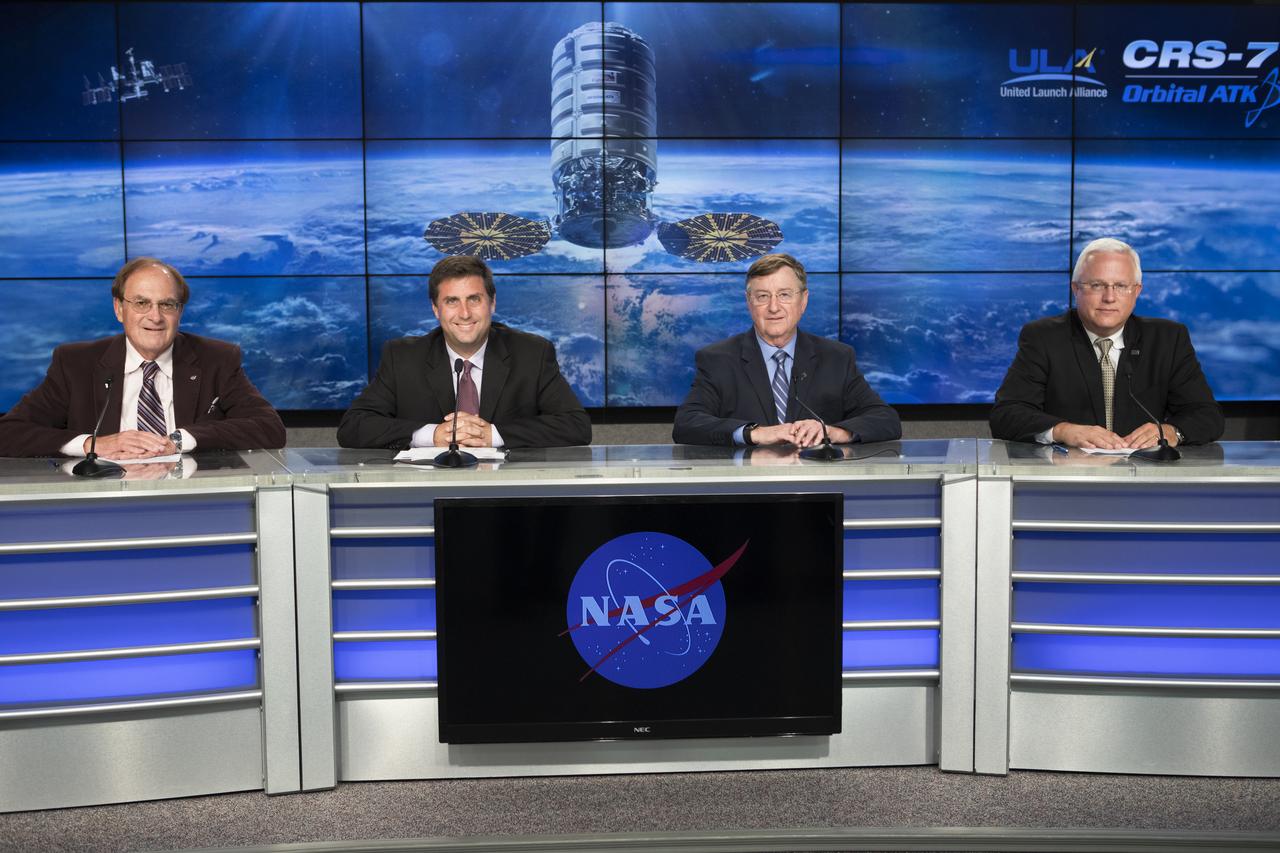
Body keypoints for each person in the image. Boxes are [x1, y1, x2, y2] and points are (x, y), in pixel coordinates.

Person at [0, 257, 285, 458]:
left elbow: (270, 428)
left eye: (167, 305)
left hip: (195, 502)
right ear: (119, 309)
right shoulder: (76, 364)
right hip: (102, 504)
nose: (155, 317)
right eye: (141, 303)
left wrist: (178, 440)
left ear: (180, 312)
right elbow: (9, 433)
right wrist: (92, 444)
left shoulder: (217, 360)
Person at [990, 237, 1223, 449]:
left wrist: (1172, 432)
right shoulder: (1044, 338)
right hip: (1068, 479)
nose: (1109, 297)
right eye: (1097, 285)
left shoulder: (1168, 339)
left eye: (1120, 286)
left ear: (1137, 291)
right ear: (1076, 289)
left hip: (1146, 479)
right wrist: (1063, 431)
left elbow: (1207, 416)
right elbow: (1007, 414)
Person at [337, 256, 591, 449]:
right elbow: (353, 427)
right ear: (436, 309)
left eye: (474, 299)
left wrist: (493, 434)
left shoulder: (531, 353)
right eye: (452, 301)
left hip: (510, 496)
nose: (465, 313)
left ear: (492, 303)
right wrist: (433, 434)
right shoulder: (403, 357)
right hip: (426, 497)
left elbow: (576, 426)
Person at [672, 253, 901, 447]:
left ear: (803, 301)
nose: (774, 307)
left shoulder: (836, 358)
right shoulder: (718, 360)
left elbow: (886, 420)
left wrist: (831, 431)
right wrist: (755, 433)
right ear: (749, 303)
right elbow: (687, 424)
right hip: (747, 487)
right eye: (763, 297)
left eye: (784, 295)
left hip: (819, 488)